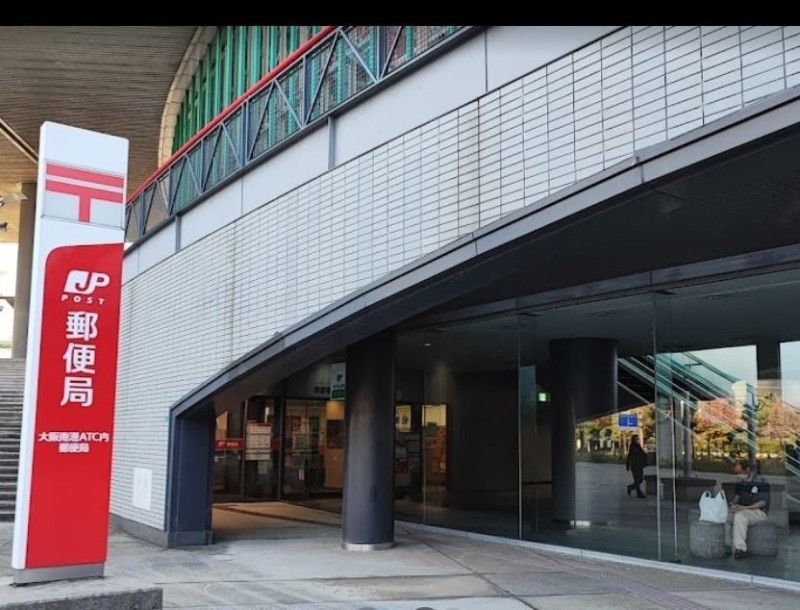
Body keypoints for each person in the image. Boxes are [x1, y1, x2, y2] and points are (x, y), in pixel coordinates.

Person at [725, 459, 770, 559]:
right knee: (726, 515)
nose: (739, 475)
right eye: (736, 473)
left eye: (740, 472)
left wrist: (745, 508)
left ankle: (740, 549)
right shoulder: (741, 483)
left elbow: (762, 502)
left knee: (740, 516)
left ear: (748, 470)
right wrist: (733, 504)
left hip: (758, 511)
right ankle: (727, 545)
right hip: (743, 509)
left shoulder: (760, 482)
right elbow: (737, 497)